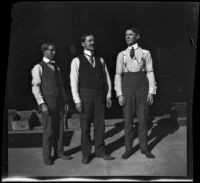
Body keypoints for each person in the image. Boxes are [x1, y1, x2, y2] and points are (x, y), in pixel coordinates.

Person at [70, 33, 115, 164]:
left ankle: (101, 151)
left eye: (93, 40)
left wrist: (108, 95)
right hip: (85, 96)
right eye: (89, 41)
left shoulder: (100, 60)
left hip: (100, 95)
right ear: (83, 44)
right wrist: (77, 100)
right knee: (85, 126)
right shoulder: (76, 60)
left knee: (100, 125)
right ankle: (86, 154)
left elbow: (107, 78)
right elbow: (74, 82)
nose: (92, 42)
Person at [114, 27, 157, 159]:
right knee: (128, 121)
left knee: (143, 120)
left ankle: (144, 148)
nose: (127, 37)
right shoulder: (122, 55)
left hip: (142, 86)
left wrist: (151, 91)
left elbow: (150, 72)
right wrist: (119, 94)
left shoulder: (145, 53)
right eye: (126, 35)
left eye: (130, 34)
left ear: (137, 36)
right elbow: (118, 74)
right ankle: (128, 149)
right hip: (127, 86)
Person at [31, 41, 72, 165]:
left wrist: (65, 101)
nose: (54, 52)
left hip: (59, 103)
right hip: (47, 103)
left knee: (60, 129)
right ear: (44, 51)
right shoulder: (38, 67)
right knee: (48, 131)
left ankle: (59, 152)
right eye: (51, 50)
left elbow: (60, 85)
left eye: (54, 50)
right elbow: (35, 87)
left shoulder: (56, 67)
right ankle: (47, 156)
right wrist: (42, 104)